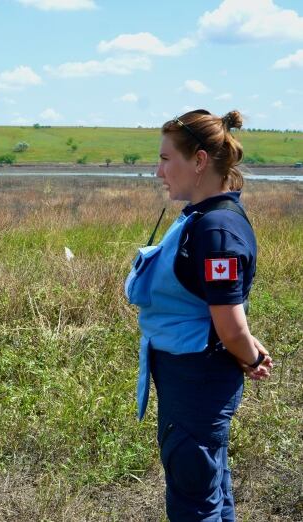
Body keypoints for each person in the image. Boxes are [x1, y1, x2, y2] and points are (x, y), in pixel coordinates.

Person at [124, 109, 273, 521]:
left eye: (166, 159)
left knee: (194, 501)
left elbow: (229, 322)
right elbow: (219, 308)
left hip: (196, 382)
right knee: (210, 490)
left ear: (200, 161)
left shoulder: (215, 230)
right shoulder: (202, 219)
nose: (158, 172)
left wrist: (251, 356)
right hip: (190, 376)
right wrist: (245, 347)